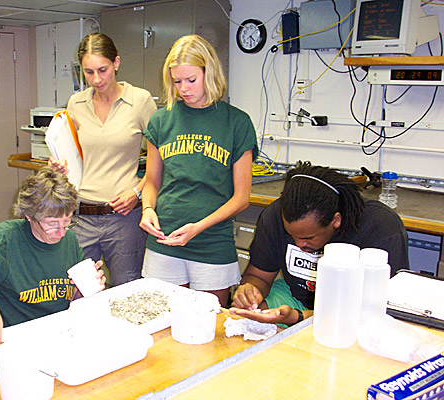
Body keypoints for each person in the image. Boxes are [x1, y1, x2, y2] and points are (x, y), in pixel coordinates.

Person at [139, 35, 259, 307]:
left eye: (191, 80)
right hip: (164, 239)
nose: (183, 89)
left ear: (210, 72)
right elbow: (151, 182)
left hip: (211, 242)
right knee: (162, 324)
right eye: (177, 81)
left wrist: (198, 228)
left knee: (208, 328)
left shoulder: (237, 123)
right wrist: (147, 209)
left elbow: (241, 198)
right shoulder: (161, 120)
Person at [0, 167, 105, 367]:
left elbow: (70, 300)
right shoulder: (6, 239)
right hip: (15, 344)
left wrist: (84, 290)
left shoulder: (68, 239)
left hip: (57, 338)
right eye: (52, 224)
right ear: (29, 216)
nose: (61, 232)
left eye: (67, 221)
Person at [231, 161, 409, 326]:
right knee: (247, 317)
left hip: (354, 314)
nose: (299, 244)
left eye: (308, 238)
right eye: (291, 235)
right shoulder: (276, 215)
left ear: (336, 220)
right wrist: (249, 292)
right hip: (295, 298)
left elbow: (378, 312)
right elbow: (260, 276)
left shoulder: (380, 227)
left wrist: (299, 317)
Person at [48, 33, 157, 287]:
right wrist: (58, 167)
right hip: (81, 215)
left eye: (103, 70)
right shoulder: (76, 103)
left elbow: (160, 162)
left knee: (128, 291)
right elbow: (71, 156)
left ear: (116, 63)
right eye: (88, 72)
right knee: (81, 293)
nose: (96, 80)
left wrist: (137, 192)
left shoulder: (140, 101)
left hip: (124, 216)